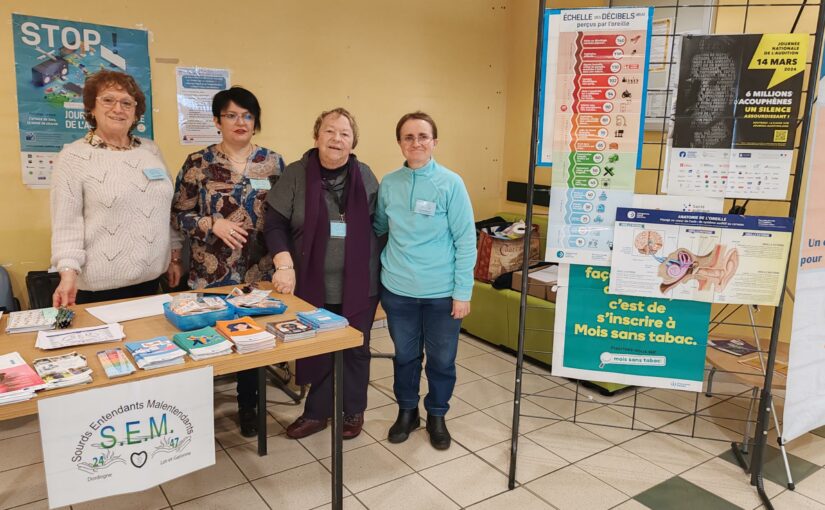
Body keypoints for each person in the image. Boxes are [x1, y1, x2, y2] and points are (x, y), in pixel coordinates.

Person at [172, 86, 285, 438]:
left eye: (247, 115)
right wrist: (211, 223)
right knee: (207, 343)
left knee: (252, 342)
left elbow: (283, 217)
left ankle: (249, 407)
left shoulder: (273, 162)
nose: (240, 122)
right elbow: (178, 214)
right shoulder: (198, 163)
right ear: (217, 121)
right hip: (211, 273)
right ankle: (195, 413)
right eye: (232, 115)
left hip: (258, 274)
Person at [264, 108, 380, 440]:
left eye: (344, 133)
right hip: (311, 283)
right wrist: (283, 263)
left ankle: (353, 410)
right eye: (329, 131)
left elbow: (380, 224)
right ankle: (317, 412)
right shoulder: (297, 174)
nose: (336, 139)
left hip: (360, 284)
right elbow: (274, 224)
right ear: (316, 136)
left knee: (355, 347)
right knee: (319, 346)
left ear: (353, 141)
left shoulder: (366, 175)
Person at [374, 111, 476, 450]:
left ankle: (436, 414)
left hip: (442, 294)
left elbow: (466, 240)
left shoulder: (451, 183)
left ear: (434, 142)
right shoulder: (389, 183)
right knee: (405, 357)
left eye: (422, 136)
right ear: (400, 143)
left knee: (442, 360)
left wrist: (463, 293)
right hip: (398, 291)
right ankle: (407, 412)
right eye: (408, 137)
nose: (416, 142)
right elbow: (378, 229)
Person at [51, 70, 181, 307]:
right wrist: (67, 273)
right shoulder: (73, 157)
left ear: (135, 112)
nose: (118, 109)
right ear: (91, 107)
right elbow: (66, 223)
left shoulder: (151, 152)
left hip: (151, 279)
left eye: (126, 103)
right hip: (99, 288)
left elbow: (165, 210)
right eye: (108, 100)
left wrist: (174, 257)